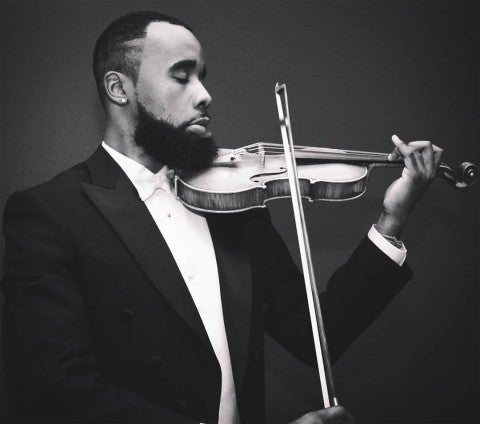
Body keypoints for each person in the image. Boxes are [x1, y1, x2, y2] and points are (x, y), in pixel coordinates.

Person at [1, 11, 443, 424]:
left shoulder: (232, 202)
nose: (205, 94)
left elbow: (315, 337)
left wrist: (391, 220)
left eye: (202, 76)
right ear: (120, 89)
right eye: (182, 75)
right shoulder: (49, 213)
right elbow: (53, 390)